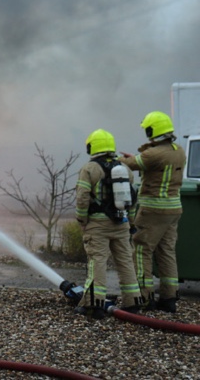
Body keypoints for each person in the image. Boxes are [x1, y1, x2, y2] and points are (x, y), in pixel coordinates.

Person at [119, 111, 186, 313]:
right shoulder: (178, 150)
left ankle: (144, 297)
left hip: (153, 211)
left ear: (152, 130)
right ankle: (169, 298)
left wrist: (111, 158)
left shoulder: (154, 154)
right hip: (173, 210)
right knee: (166, 252)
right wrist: (139, 157)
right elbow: (148, 162)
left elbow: (130, 164)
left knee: (141, 251)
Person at [74, 129, 142, 318]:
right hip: (121, 223)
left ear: (92, 147)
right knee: (126, 262)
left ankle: (94, 305)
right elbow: (133, 198)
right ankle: (133, 303)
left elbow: (82, 197)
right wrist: (130, 220)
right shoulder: (125, 168)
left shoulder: (89, 169)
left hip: (97, 225)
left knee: (98, 263)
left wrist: (82, 220)